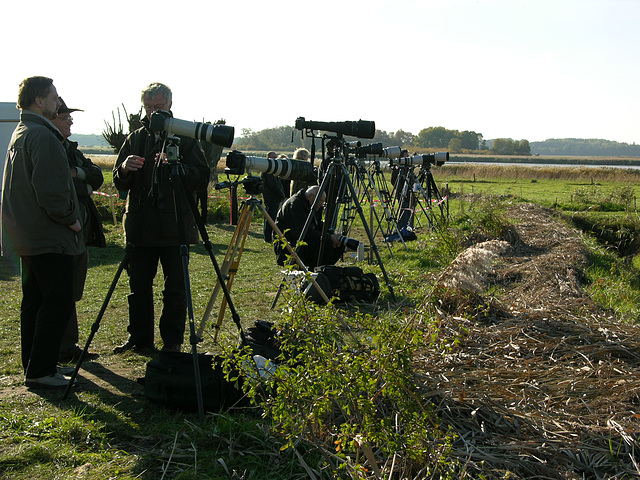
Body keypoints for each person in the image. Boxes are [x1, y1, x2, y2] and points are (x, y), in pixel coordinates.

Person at [112, 83, 209, 354]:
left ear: (170, 105)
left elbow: (202, 178)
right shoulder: (136, 138)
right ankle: (140, 339)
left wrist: (177, 166)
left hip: (175, 226)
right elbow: (118, 182)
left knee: (175, 290)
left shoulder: (186, 137)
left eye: (159, 107)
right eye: (149, 107)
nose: (154, 112)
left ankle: (172, 342)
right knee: (138, 288)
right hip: (140, 226)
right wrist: (125, 168)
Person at [1, 76, 83, 388]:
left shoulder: (22, 131)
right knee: (56, 303)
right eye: (54, 97)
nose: (58, 103)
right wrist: (71, 220)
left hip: (27, 236)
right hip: (49, 238)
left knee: (34, 303)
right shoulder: (43, 136)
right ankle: (43, 370)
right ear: (39, 101)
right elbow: (51, 192)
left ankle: (34, 367)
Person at [52, 98, 104, 364]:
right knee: (60, 293)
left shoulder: (71, 149)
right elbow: (61, 190)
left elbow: (96, 175)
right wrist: (82, 186)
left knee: (71, 292)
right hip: (63, 232)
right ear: (52, 118)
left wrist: (77, 173)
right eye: (65, 117)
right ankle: (62, 349)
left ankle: (67, 347)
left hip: (79, 233)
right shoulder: (49, 146)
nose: (70, 121)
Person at [274, 185, 345, 270]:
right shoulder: (295, 204)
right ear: (311, 196)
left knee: (340, 243)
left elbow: (317, 225)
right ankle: (315, 273)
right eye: (321, 201)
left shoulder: (313, 204)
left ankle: (324, 271)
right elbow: (301, 232)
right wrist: (329, 237)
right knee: (327, 242)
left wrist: (332, 235)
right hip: (290, 245)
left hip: (305, 240)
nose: (322, 204)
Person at [261, 151, 290, 243]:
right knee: (270, 217)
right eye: (272, 158)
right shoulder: (268, 170)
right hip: (272, 196)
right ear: (268, 158)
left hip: (274, 196)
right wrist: (281, 195)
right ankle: (268, 237)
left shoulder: (273, 169)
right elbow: (274, 185)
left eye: (275, 158)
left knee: (270, 216)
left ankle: (269, 236)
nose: (274, 159)